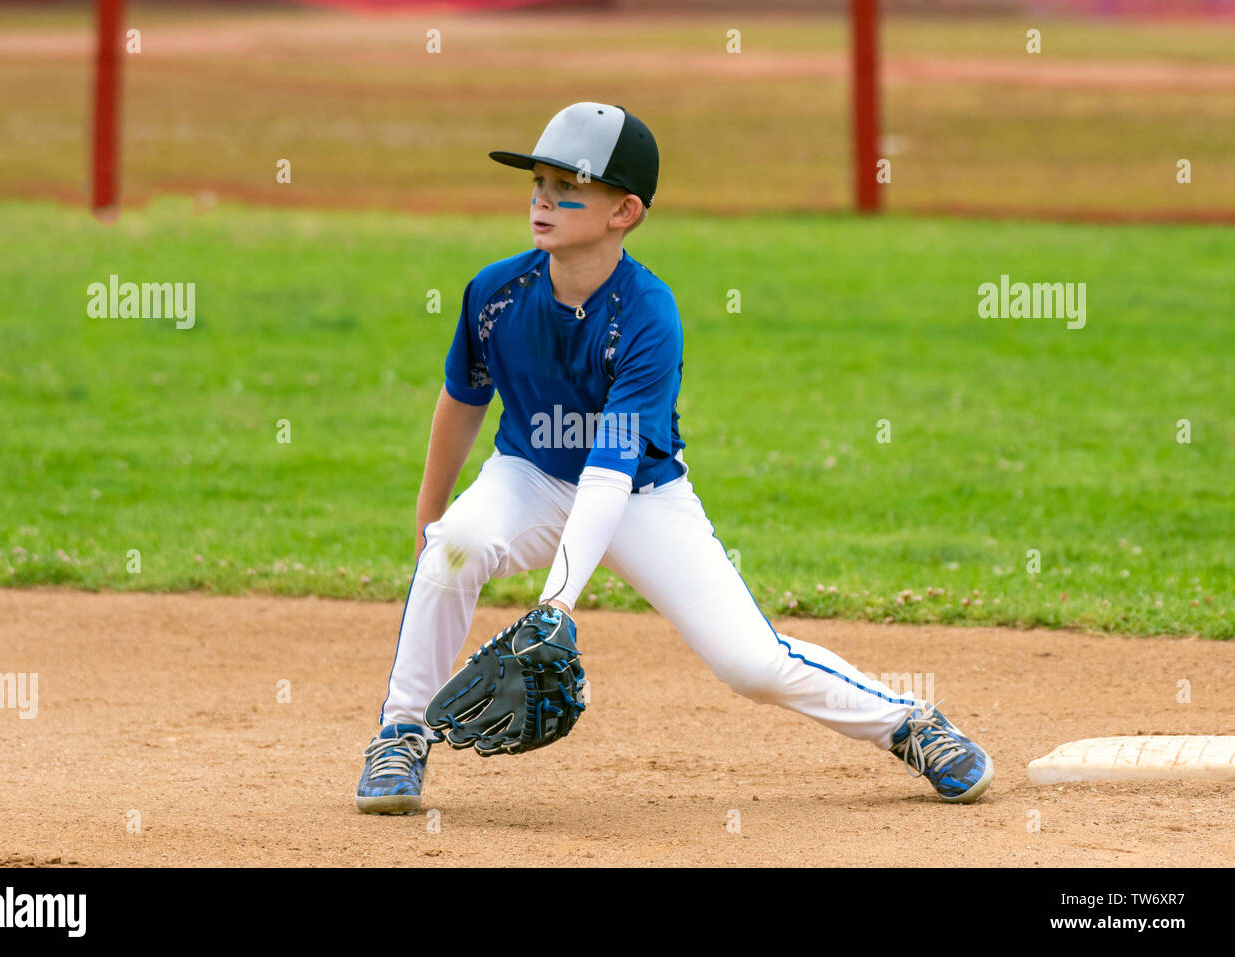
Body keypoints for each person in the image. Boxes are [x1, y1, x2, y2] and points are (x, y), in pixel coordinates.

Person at [356, 102, 993, 815]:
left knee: (751, 664)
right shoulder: (495, 294)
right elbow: (462, 398)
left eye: (569, 185)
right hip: (527, 475)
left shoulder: (647, 312)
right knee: (453, 549)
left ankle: (909, 722)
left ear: (625, 210)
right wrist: (429, 515)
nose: (541, 198)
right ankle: (401, 730)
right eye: (537, 180)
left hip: (639, 495)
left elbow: (610, 468)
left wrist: (556, 604)